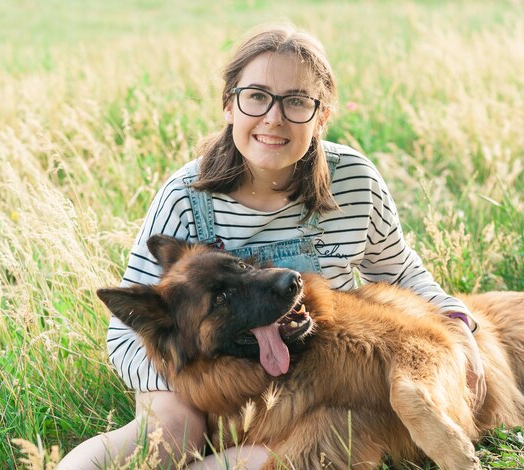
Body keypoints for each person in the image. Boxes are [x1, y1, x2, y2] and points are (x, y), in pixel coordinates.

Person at [59, 23, 485, 470]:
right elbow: (130, 328)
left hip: (319, 364)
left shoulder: (354, 180)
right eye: (257, 96)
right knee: (175, 432)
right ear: (229, 105)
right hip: (212, 370)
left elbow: (399, 271)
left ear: (321, 116)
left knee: (305, 448)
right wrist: (192, 383)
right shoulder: (186, 195)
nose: (274, 118)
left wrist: (458, 322)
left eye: (296, 101)